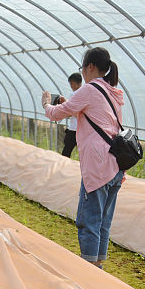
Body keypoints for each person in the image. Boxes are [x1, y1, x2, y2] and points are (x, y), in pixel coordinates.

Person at [42, 48, 126, 267]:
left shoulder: (89, 89)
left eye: (83, 68)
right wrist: (67, 103)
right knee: (102, 222)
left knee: (88, 221)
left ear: (89, 67)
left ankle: (90, 272)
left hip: (98, 167)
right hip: (115, 166)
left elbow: (55, 114)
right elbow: (92, 114)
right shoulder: (111, 92)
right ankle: (98, 268)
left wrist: (46, 104)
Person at [58, 72, 84, 158]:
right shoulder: (85, 93)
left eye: (71, 84)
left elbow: (70, 112)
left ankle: (63, 168)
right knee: (84, 152)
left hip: (74, 128)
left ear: (74, 83)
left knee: (66, 151)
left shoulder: (74, 94)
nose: (71, 86)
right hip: (83, 128)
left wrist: (63, 104)